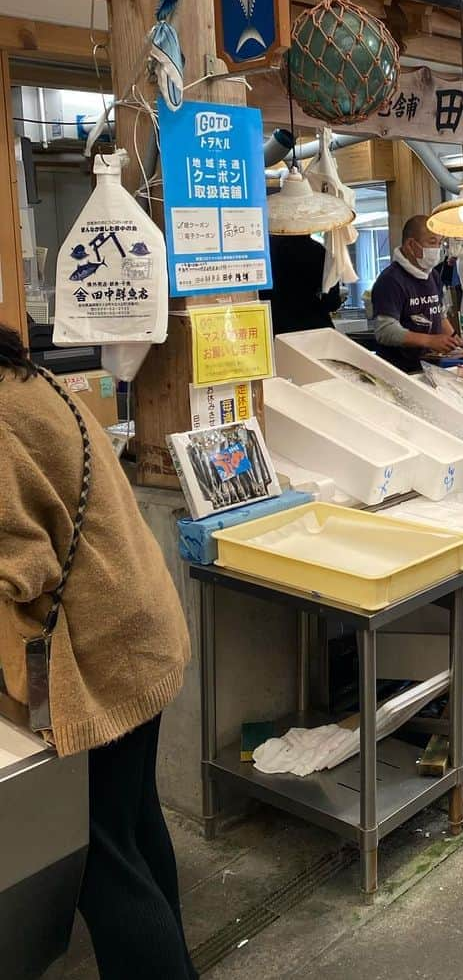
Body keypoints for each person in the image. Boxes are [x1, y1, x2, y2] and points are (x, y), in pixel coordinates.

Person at [0, 324, 196, 978]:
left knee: (96, 858)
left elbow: (18, 569)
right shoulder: (32, 378)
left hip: (93, 656)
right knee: (133, 822)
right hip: (136, 628)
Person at [370, 214, 463, 372]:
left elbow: (439, 314)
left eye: (440, 243)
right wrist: (429, 341)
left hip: (431, 368)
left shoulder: (433, 275)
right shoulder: (391, 280)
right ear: (411, 245)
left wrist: (456, 341)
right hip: (400, 371)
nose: (437, 249)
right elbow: (384, 330)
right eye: (432, 242)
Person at [262, 232, 344, 335]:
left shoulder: (266, 251)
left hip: (275, 327)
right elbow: (332, 302)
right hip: (314, 326)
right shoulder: (321, 252)